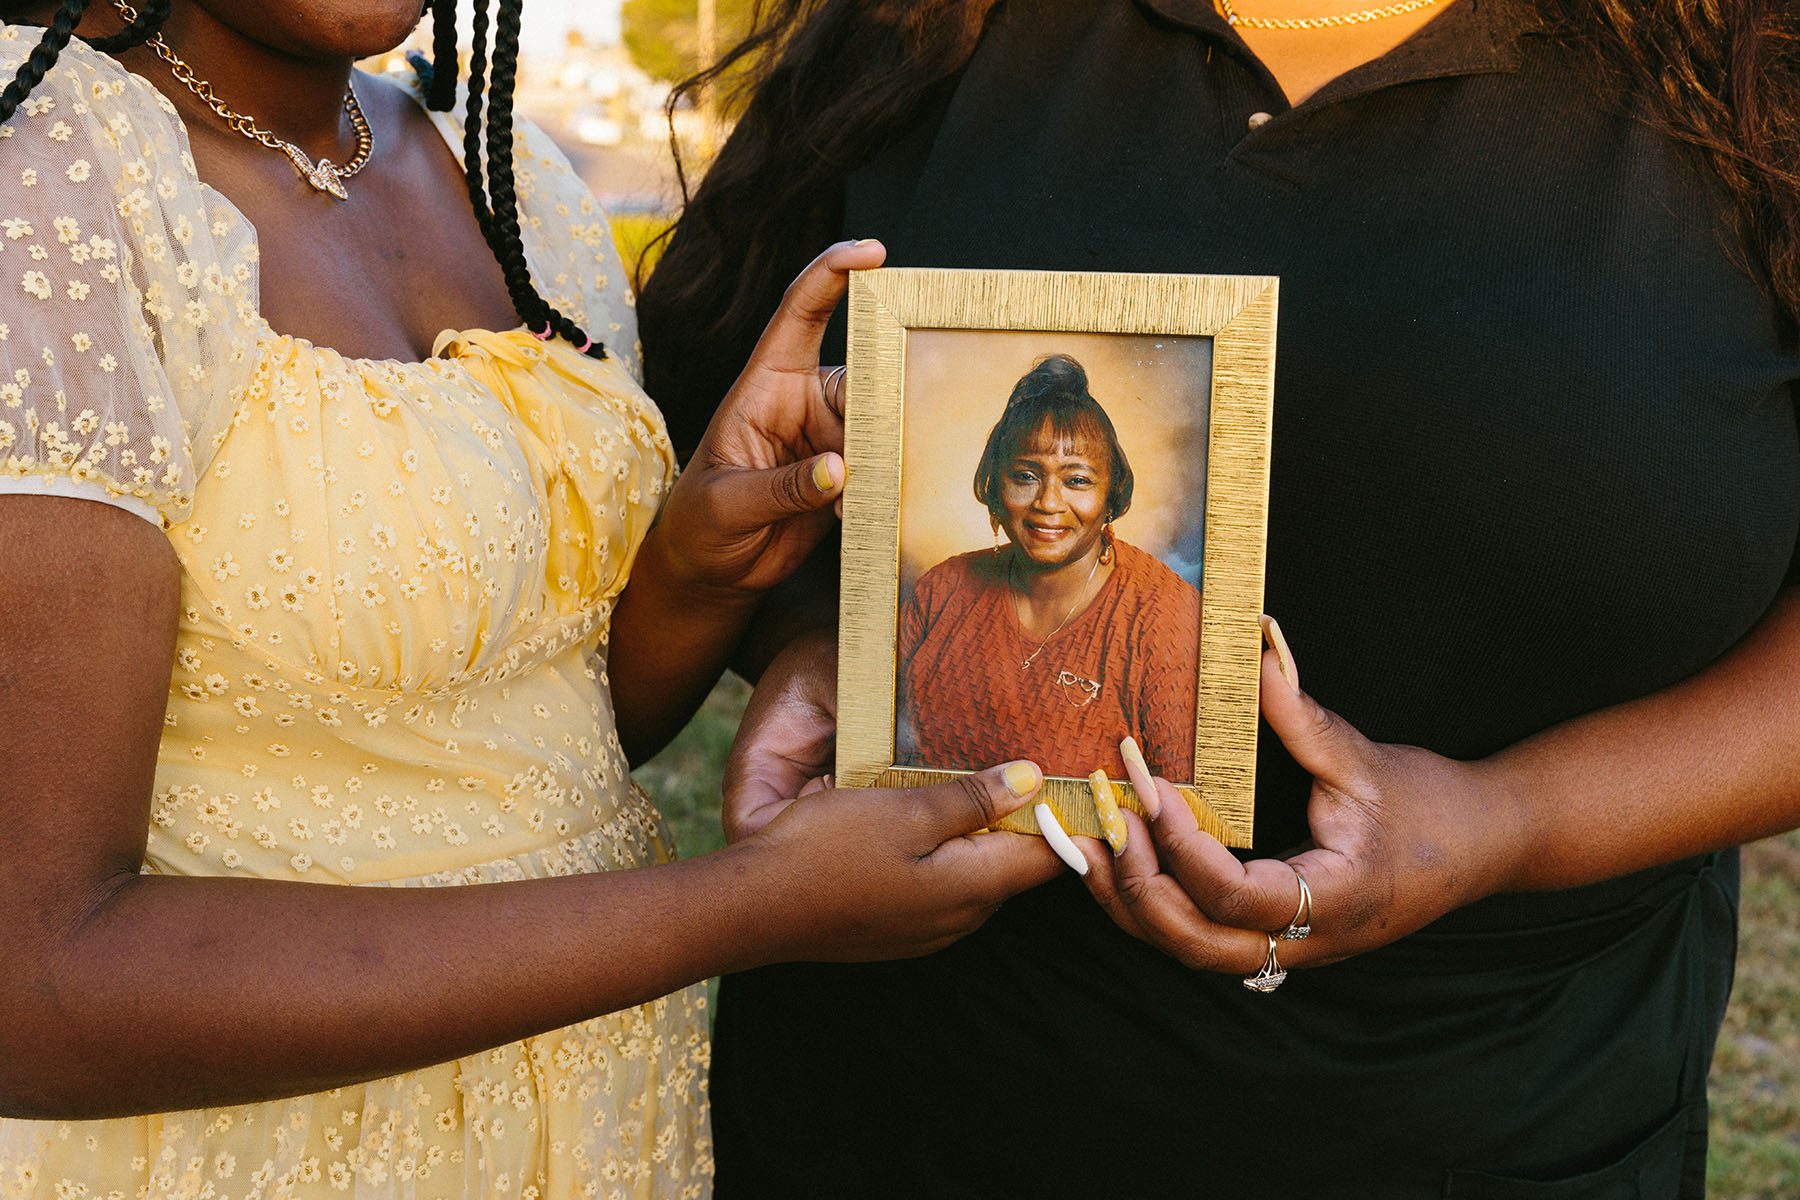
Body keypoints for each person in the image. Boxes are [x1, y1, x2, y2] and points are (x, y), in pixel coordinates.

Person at [637, 0, 1800, 1194]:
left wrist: (1507, 822)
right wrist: (839, 648)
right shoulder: (935, 21)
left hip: (1499, 1119)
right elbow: (706, 445)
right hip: (893, 1100)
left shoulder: (1751, 68)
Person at [0, 2, 1060, 1197]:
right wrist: (744, 909)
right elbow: (35, 981)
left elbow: (539, 750)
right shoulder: (39, 168)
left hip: (587, 1128)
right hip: (254, 1153)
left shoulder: (504, 170)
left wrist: (695, 566)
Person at [897, 353, 1200, 781]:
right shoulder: (941, 591)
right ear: (996, 485)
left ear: (1112, 494)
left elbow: (1189, 811)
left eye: (1076, 480)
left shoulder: (1165, 618)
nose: (1048, 504)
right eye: (1025, 476)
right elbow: (879, 745)